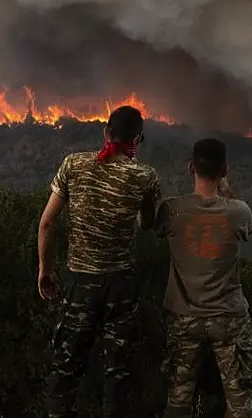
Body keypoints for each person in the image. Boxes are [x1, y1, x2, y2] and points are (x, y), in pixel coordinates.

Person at [37, 105, 161, 418]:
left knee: (66, 366)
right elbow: (147, 224)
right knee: (117, 371)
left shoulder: (73, 165)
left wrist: (45, 268)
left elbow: (47, 224)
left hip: (80, 283)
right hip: (120, 286)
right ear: (137, 139)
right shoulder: (144, 176)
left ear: (106, 132)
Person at [155, 138, 252, 418]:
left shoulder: (172, 210)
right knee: (240, 403)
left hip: (184, 319)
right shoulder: (238, 211)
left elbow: (151, 226)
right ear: (225, 170)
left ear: (191, 167)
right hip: (228, 318)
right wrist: (226, 190)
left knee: (178, 401)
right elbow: (248, 229)